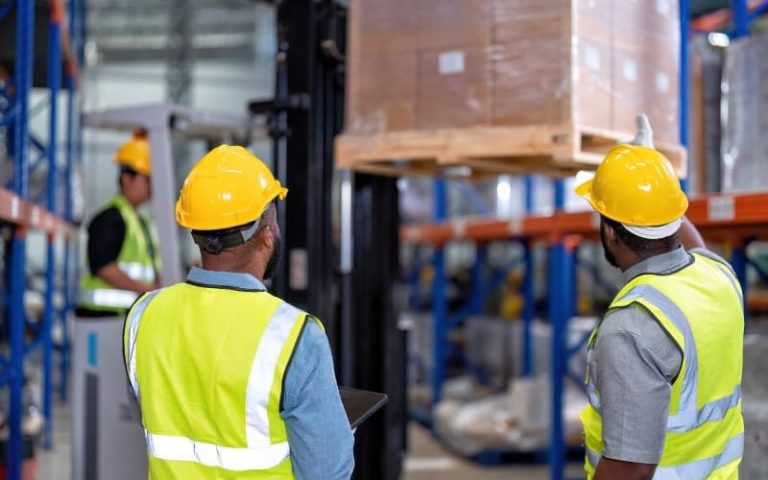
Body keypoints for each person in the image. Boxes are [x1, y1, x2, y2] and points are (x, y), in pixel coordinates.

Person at [122, 145, 354, 479]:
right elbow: (328, 472)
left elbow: (150, 413)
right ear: (266, 232)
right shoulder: (296, 336)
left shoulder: (144, 316)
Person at [576, 117, 744, 480]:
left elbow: (630, 468)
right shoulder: (720, 277)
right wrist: (652, 189)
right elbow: (694, 246)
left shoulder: (632, 327)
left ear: (609, 231)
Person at [77, 130, 161, 316]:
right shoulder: (110, 218)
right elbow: (104, 267)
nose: (152, 185)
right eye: (147, 178)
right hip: (103, 316)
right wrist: (148, 290)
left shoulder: (141, 219)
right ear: (126, 179)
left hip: (126, 316)